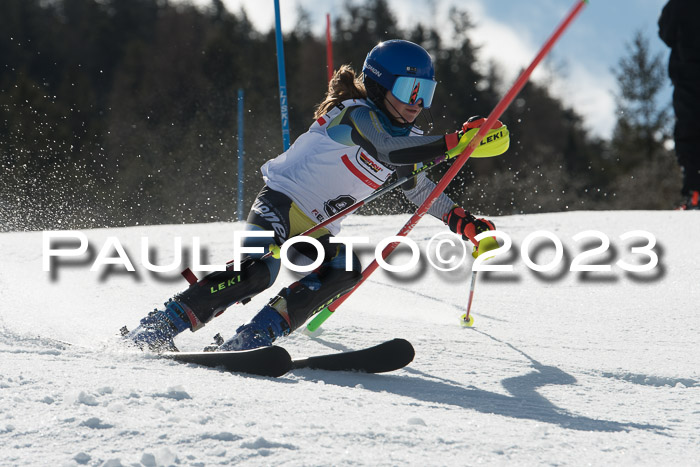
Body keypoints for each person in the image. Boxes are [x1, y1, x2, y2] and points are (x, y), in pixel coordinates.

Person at [125, 39, 510, 352]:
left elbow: (423, 190)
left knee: (345, 269)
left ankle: (254, 338)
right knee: (258, 273)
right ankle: (158, 328)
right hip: (279, 203)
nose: (417, 103)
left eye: (426, 92)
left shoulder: (409, 140)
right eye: (410, 89)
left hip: (316, 229)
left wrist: (464, 223)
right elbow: (387, 149)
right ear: (378, 85)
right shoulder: (353, 114)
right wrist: (456, 142)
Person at [658, 0, 700, 210]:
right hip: (688, 76)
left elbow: (666, 32)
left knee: (690, 131)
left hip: (689, 77)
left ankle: (695, 193)